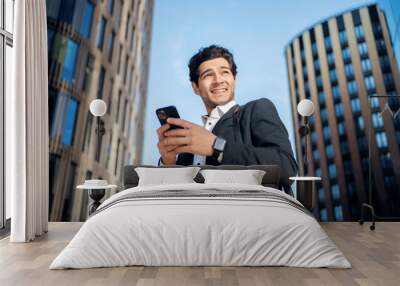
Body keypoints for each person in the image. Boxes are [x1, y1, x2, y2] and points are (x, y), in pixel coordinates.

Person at [156, 45, 297, 190]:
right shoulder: (188, 144)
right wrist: (168, 162)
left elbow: (286, 167)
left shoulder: (256, 109)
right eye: (208, 75)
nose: (218, 80)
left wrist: (217, 147)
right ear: (195, 87)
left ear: (234, 80)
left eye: (225, 72)